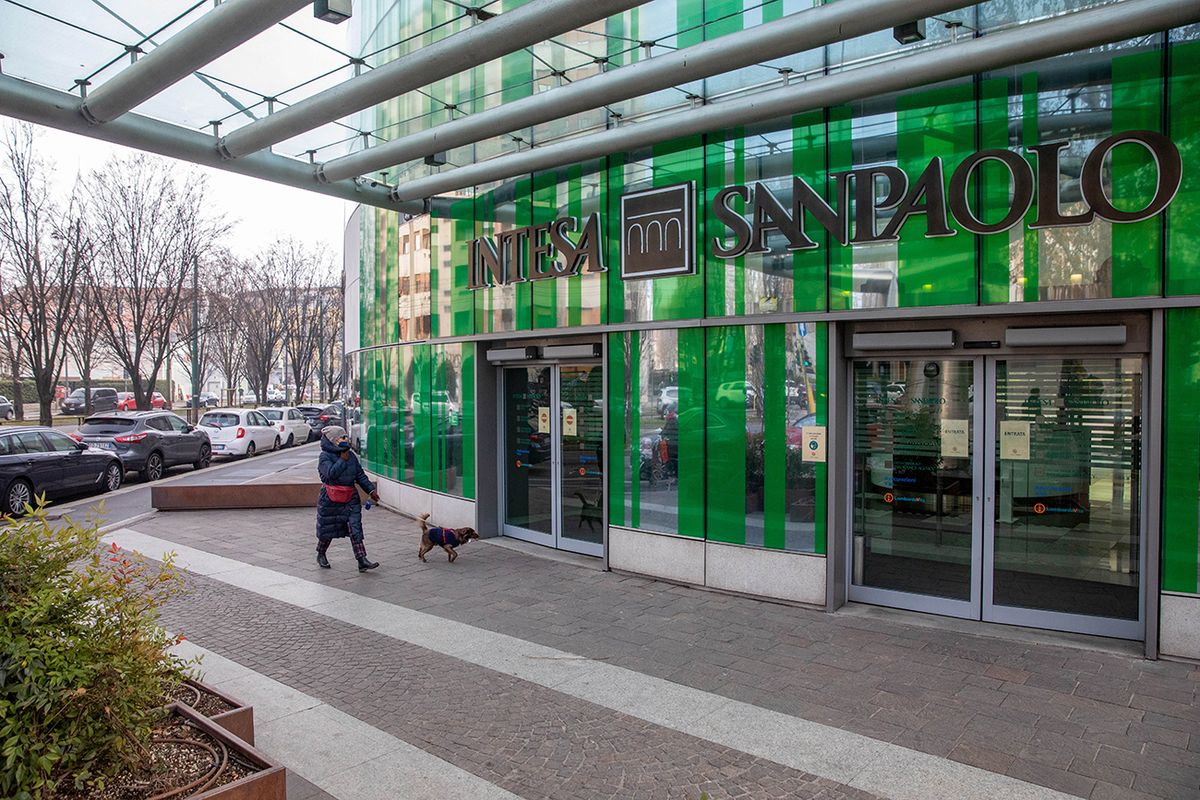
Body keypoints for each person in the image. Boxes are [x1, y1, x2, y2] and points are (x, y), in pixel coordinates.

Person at [316, 425, 380, 572]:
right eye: (342, 437)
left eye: (346, 437)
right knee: (328, 530)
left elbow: (360, 475)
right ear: (333, 440)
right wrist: (341, 461)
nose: (346, 440)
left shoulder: (350, 456)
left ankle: (361, 559)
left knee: (355, 528)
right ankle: (321, 553)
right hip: (331, 499)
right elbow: (329, 475)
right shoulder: (325, 456)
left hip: (350, 498)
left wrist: (371, 491)